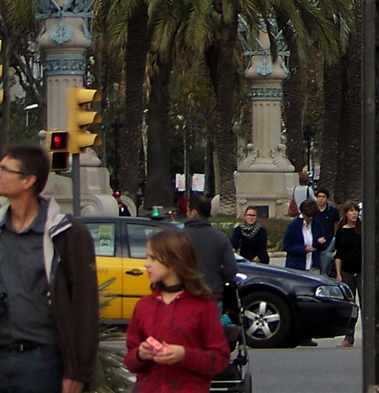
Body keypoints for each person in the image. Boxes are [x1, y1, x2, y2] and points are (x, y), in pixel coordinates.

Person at [0, 144, 99, 393]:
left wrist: (77, 372)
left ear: (28, 181)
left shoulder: (66, 233)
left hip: (42, 362)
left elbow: (85, 306)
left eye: (4, 169)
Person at [124, 229, 230, 393]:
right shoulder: (144, 305)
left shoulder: (203, 304)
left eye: (152, 258)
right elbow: (129, 360)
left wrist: (185, 356)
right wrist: (140, 354)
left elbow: (220, 359)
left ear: (173, 261)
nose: (146, 264)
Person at [182, 195, 238, 303]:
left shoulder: (178, 237)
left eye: (187, 210)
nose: (186, 213)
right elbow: (232, 269)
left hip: (186, 295)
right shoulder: (221, 238)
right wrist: (216, 278)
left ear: (194, 212)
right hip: (212, 294)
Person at [332, 202, 362, 348]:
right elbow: (339, 254)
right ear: (346, 214)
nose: (354, 213)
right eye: (351, 211)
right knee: (350, 305)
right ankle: (348, 337)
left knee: (366, 304)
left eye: (356, 210)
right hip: (347, 272)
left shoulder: (362, 229)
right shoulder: (342, 231)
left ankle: (371, 336)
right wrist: (338, 273)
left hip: (362, 271)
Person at [283, 199, 329, 271]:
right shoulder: (293, 225)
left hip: (313, 267)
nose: (310, 218)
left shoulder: (317, 224)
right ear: (303, 213)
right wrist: (304, 249)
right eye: (308, 216)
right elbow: (287, 246)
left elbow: (323, 246)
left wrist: (321, 242)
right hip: (296, 267)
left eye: (313, 216)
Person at [312, 186, 340, 275]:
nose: (321, 199)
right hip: (314, 242)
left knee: (325, 267)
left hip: (328, 242)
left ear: (327, 199)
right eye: (319, 196)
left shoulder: (332, 211)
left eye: (323, 197)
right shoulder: (313, 211)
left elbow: (337, 224)